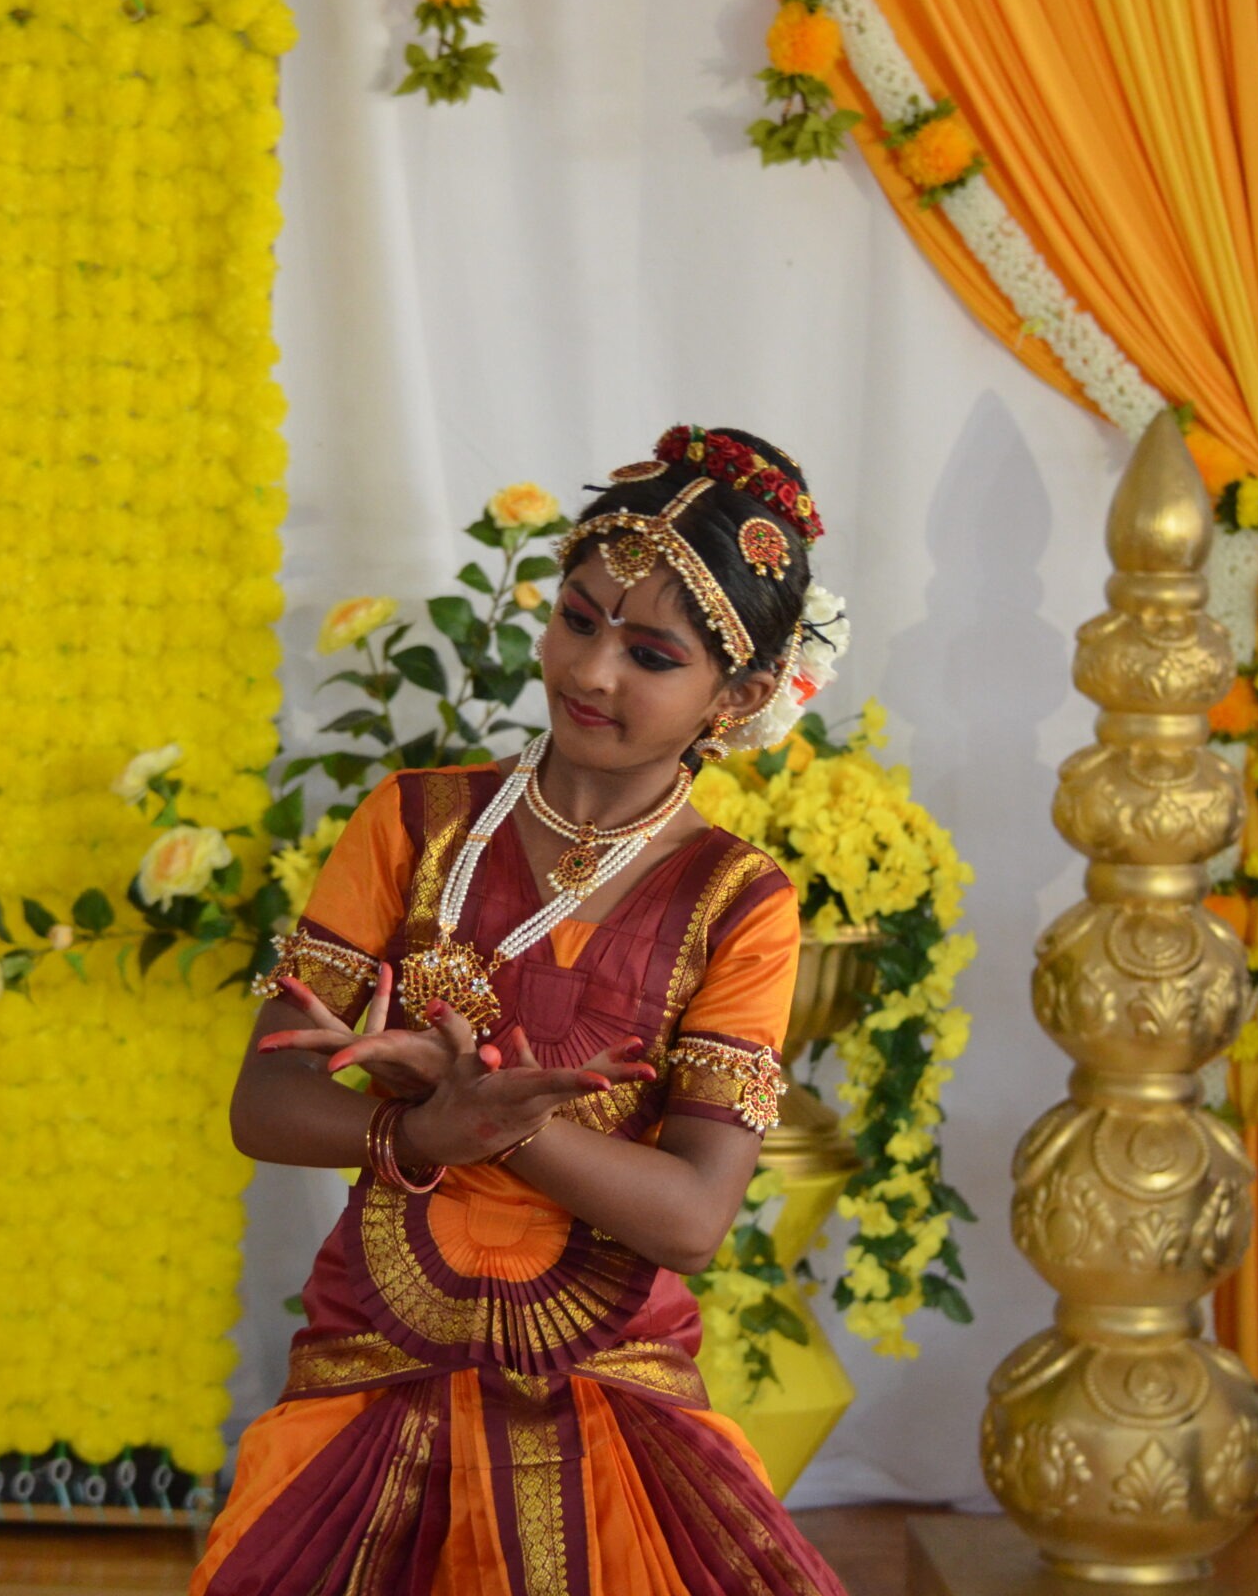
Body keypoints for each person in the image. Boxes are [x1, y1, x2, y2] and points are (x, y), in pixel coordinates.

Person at [191, 427, 852, 1596]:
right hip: (374, 1355)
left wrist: (497, 1127)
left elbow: (692, 1218)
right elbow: (264, 1101)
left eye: (649, 654)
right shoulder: (413, 822)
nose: (590, 670)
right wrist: (416, 1132)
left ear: (740, 695)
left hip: (608, 1382)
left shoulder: (737, 899)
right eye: (577, 619)